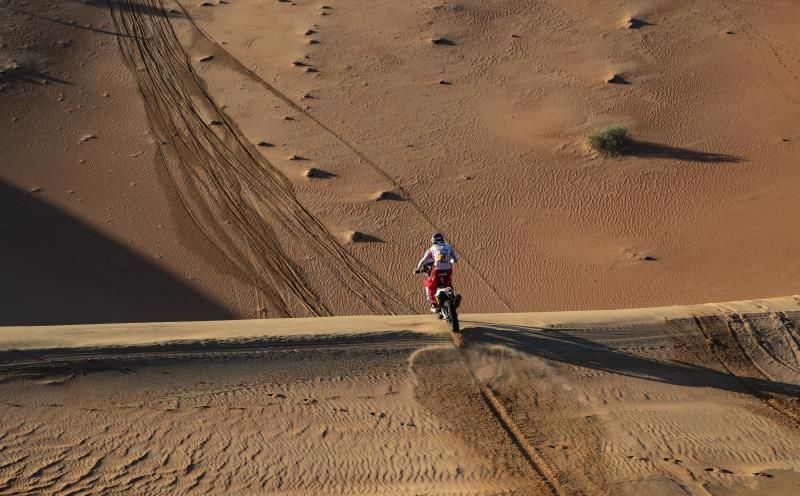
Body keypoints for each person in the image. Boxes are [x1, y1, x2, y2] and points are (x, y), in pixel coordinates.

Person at [414, 232, 459, 312]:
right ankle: (453, 298)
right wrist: (451, 261)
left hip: (437, 270)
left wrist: (417, 268)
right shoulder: (449, 247)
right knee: (448, 284)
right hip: (448, 270)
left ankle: (433, 304)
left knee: (430, 285)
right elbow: (455, 258)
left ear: (434, 240)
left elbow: (423, 260)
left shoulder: (432, 249)